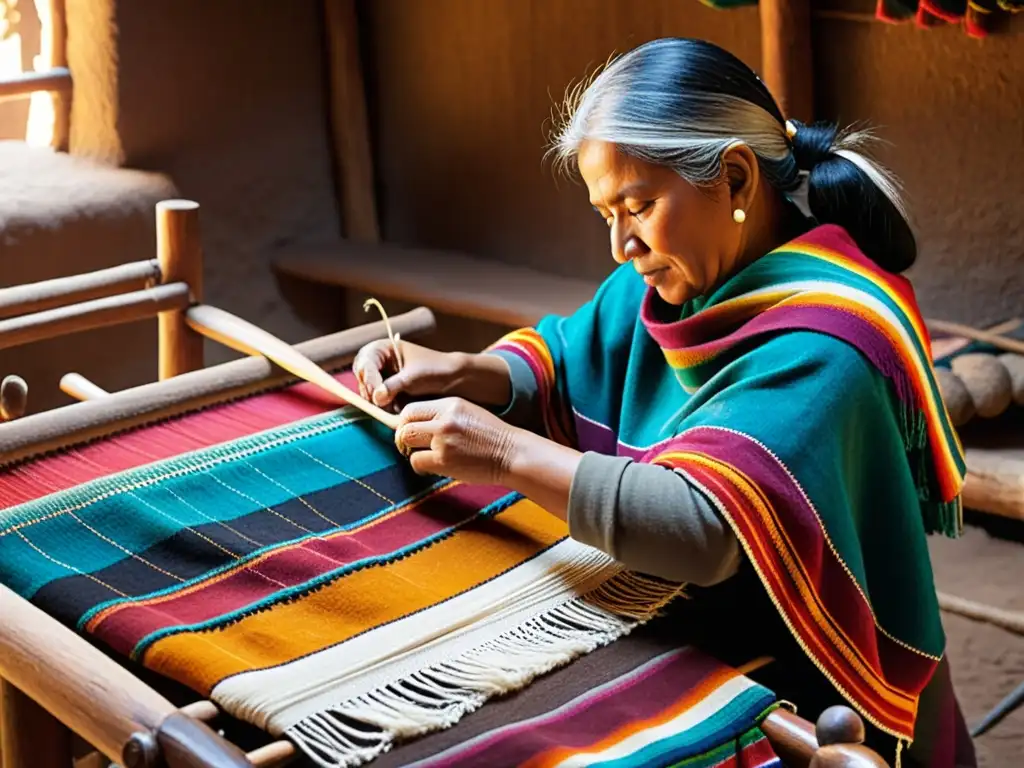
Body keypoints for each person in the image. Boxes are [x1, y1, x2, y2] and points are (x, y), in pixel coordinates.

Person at [352, 38, 975, 767]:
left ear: (735, 180)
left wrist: (503, 452)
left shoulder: (830, 342)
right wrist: (467, 371)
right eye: (605, 213)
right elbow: (574, 352)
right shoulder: (680, 277)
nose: (621, 244)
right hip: (683, 622)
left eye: (638, 206)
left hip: (794, 677)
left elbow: (702, 528)